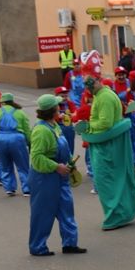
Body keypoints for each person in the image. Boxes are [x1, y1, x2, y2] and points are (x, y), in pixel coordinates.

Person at [79, 74, 135, 229]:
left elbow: (106, 123)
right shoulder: (102, 95)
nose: (87, 89)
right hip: (108, 145)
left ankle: (117, 215)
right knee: (114, 179)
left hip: (107, 146)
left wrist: (88, 126)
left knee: (107, 180)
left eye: (89, 85)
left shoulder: (105, 98)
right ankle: (121, 213)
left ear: (96, 82)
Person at [29, 94, 85, 256]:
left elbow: (62, 149)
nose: (60, 109)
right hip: (44, 179)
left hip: (60, 177)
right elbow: (37, 158)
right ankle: (37, 247)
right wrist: (56, 167)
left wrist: (69, 164)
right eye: (58, 107)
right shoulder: (41, 131)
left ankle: (70, 244)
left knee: (66, 209)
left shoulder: (54, 126)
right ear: (52, 110)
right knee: (43, 213)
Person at [0, 92, 31, 196]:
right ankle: (27, 188)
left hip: (0, 139)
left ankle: (9, 188)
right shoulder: (20, 113)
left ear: (1, 103)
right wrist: (29, 143)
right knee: (22, 165)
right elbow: (27, 130)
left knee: (5, 164)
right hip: (17, 138)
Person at [113, 68, 135, 172]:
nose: (121, 77)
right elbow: (117, 100)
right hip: (129, 119)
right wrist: (125, 106)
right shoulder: (123, 90)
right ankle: (133, 162)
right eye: (119, 75)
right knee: (130, 142)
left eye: (123, 74)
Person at [54, 85, 78, 155]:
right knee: (61, 148)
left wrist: (72, 115)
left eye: (66, 96)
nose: (64, 98)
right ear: (56, 96)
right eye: (62, 96)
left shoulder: (70, 103)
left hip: (69, 129)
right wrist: (58, 117)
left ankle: (70, 162)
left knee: (70, 147)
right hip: (58, 129)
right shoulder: (54, 105)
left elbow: (75, 114)